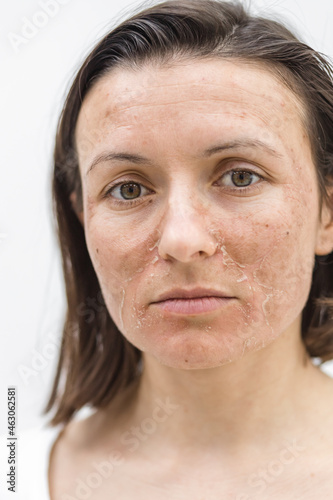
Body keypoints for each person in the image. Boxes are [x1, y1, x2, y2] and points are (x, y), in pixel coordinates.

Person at [25, 0, 333, 498]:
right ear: (83, 219)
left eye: (240, 176)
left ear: (328, 213)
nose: (182, 240)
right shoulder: (17, 473)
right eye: (128, 189)